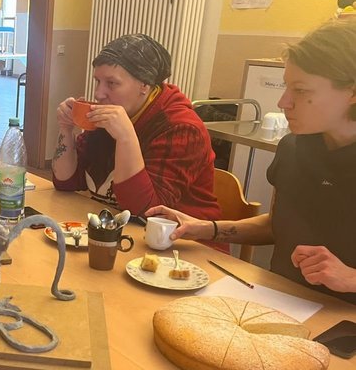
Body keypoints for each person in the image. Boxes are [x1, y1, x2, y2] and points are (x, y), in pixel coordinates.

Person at [146, 20, 356, 304]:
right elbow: (279, 224)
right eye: (286, 87)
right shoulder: (294, 147)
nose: (283, 102)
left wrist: (350, 278)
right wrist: (206, 227)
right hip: (281, 298)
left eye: (301, 91)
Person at [52, 34, 221, 221]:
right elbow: (66, 182)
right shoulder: (114, 112)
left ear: (144, 85)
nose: (98, 94)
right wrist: (65, 128)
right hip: (121, 231)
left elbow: (146, 210)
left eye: (112, 83)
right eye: (97, 81)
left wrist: (125, 137)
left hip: (186, 244)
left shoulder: (183, 129)